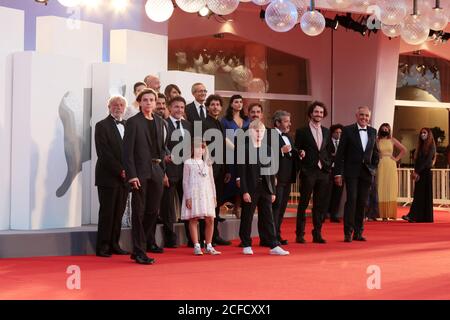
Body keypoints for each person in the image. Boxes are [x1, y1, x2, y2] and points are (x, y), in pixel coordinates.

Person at [123, 88, 167, 264]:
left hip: (157, 170)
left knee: (153, 211)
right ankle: (139, 251)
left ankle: (139, 247)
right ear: (140, 102)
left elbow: (162, 148)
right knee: (139, 212)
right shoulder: (133, 122)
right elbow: (127, 152)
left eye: (151, 100)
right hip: (139, 173)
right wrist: (132, 175)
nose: (149, 103)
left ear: (155, 103)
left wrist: (163, 170)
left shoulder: (159, 121)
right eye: (145, 100)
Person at [238, 119, 290, 256]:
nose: (259, 133)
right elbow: (242, 173)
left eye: (261, 131)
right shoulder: (244, 149)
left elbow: (271, 171)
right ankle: (246, 244)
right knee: (247, 216)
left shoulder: (267, 149)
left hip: (265, 188)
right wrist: (244, 191)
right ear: (250, 132)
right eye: (256, 131)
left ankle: (273, 244)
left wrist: (272, 190)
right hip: (250, 188)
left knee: (268, 217)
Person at [334, 106, 379, 242]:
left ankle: (359, 232)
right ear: (356, 116)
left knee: (362, 202)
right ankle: (348, 232)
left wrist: (374, 166)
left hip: (366, 172)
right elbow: (340, 154)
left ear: (369, 117)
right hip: (351, 171)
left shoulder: (372, 131)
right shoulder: (347, 130)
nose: (364, 118)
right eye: (361, 115)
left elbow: (375, 152)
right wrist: (338, 173)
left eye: (366, 116)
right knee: (352, 200)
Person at [94, 95, 129, 257]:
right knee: (107, 212)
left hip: (125, 178)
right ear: (109, 107)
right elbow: (103, 153)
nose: (118, 107)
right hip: (108, 176)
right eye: (114, 105)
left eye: (121, 105)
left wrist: (129, 171)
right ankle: (103, 246)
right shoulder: (101, 126)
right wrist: (120, 170)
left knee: (119, 213)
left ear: (125, 108)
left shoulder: (128, 125)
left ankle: (115, 243)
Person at [295, 101, 331, 244]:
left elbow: (328, 151)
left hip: (323, 172)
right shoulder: (302, 131)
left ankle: (317, 233)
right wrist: (301, 158)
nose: (319, 114)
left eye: (321, 112)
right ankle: (300, 234)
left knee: (320, 205)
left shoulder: (327, 131)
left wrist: (328, 164)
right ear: (311, 113)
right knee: (303, 203)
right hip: (308, 171)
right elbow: (296, 149)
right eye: (316, 112)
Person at [160, 96, 192, 248]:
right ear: (169, 108)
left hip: (186, 170)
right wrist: (163, 172)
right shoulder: (163, 124)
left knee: (188, 203)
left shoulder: (188, 125)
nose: (179, 110)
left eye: (182, 107)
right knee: (167, 206)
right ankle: (169, 238)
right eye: (176, 107)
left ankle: (192, 238)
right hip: (170, 170)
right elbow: (160, 148)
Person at [181, 139, 221, 255]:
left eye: (202, 148)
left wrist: (214, 196)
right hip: (194, 193)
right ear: (193, 149)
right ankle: (196, 245)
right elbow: (185, 182)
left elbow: (212, 181)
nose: (200, 150)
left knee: (210, 219)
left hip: (207, 193)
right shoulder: (188, 163)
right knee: (194, 219)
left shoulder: (207, 163)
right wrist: (188, 197)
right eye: (197, 147)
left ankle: (208, 245)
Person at [202, 94, 232, 246]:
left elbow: (224, 149)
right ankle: (207, 237)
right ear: (207, 107)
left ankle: (215, 234)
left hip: (220, 169)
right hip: (209, 168)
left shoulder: (220, 123)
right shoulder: (203, 123)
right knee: (208, 202)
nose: (215, 107)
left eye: (218, 105)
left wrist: (227, 170)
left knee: (217, 201)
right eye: (212, 104)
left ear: (221, 108)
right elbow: (203, 146)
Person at [271, 110, 298, 245]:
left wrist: (300, 153)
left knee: (282, 208)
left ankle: (277, 234)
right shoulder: (270, 135)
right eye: (286, 121)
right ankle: (272, 236)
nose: (289, 124)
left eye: (289, 121)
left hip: (288, 177)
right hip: (277, 176)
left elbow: (292, 150)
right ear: (277, 123)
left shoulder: (288, 136)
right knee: (275, 208)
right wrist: (281, 151)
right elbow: (266, 153)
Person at [220, 95, 250, 218]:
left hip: (243, 154)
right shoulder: (225, 120)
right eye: (236, 102)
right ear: (231, 104)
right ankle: (222, 207)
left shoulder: (247, 119)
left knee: (241, 180)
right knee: (229, 181)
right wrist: (234, 148)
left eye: (241, 102)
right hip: (230, 153)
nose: (239, 104)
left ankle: (237, 208)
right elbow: (223, 137)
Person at [402, 128, 436, 223]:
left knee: (422, 195)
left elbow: (427, 161)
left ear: (428, 134)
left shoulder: (431, 146)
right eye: (421, 133)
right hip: (419, 172)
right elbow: (417, 161)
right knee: (417, 195)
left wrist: (417, 171)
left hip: (425, 173)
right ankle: (414, 216)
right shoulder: (420, 146)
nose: (422, 134)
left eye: (424, 133)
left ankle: (414, 216)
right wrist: (415, 171)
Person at [376, 123, 407, 220]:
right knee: (380, 187)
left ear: (389, 130)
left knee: (390, 187)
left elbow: (404, 149)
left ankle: (390, 213)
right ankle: (382, 214)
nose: (385, 130)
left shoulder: (392, 140)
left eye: (387, 128)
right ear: (380, 129)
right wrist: (377, 156)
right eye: (383, 128)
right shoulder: (376, 140)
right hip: (380, 165)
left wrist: (397, 158)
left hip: (390, 164)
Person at [325, 124, 344, 223]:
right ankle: (324, 214)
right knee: (327, 193)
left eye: (340, 132)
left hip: (340, 171)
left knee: (338, 194)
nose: (339, 134)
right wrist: (333, 156)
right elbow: (325, 155)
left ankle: (334, 214)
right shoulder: (327, 142)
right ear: (332, 133)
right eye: (337, 132)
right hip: (329, 170)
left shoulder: (343, 143)